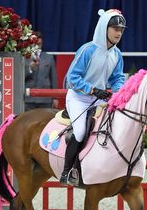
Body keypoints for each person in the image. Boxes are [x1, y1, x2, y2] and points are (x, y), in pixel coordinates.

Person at [60, 9, 126, 185]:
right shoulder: (87, 50)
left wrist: (117, 91)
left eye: (121, 30)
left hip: (100, 99)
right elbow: (72, 78)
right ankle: (67, 172)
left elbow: (117, 77)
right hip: (78, 98)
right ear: (104, 28)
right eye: (115, 29)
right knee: (81, 132)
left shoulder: (117, 54)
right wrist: (93, 90)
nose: (118, 33)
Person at [25, 32, 59, 111]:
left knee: (46, 122)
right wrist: (30, 68)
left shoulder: (49, 58)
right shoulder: (24, 57)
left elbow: (53, 78)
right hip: (28, 99)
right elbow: (19, 78)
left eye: (39, 44)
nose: (37, 46)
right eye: (35, 43)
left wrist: (55, 97)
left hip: (45, 98)